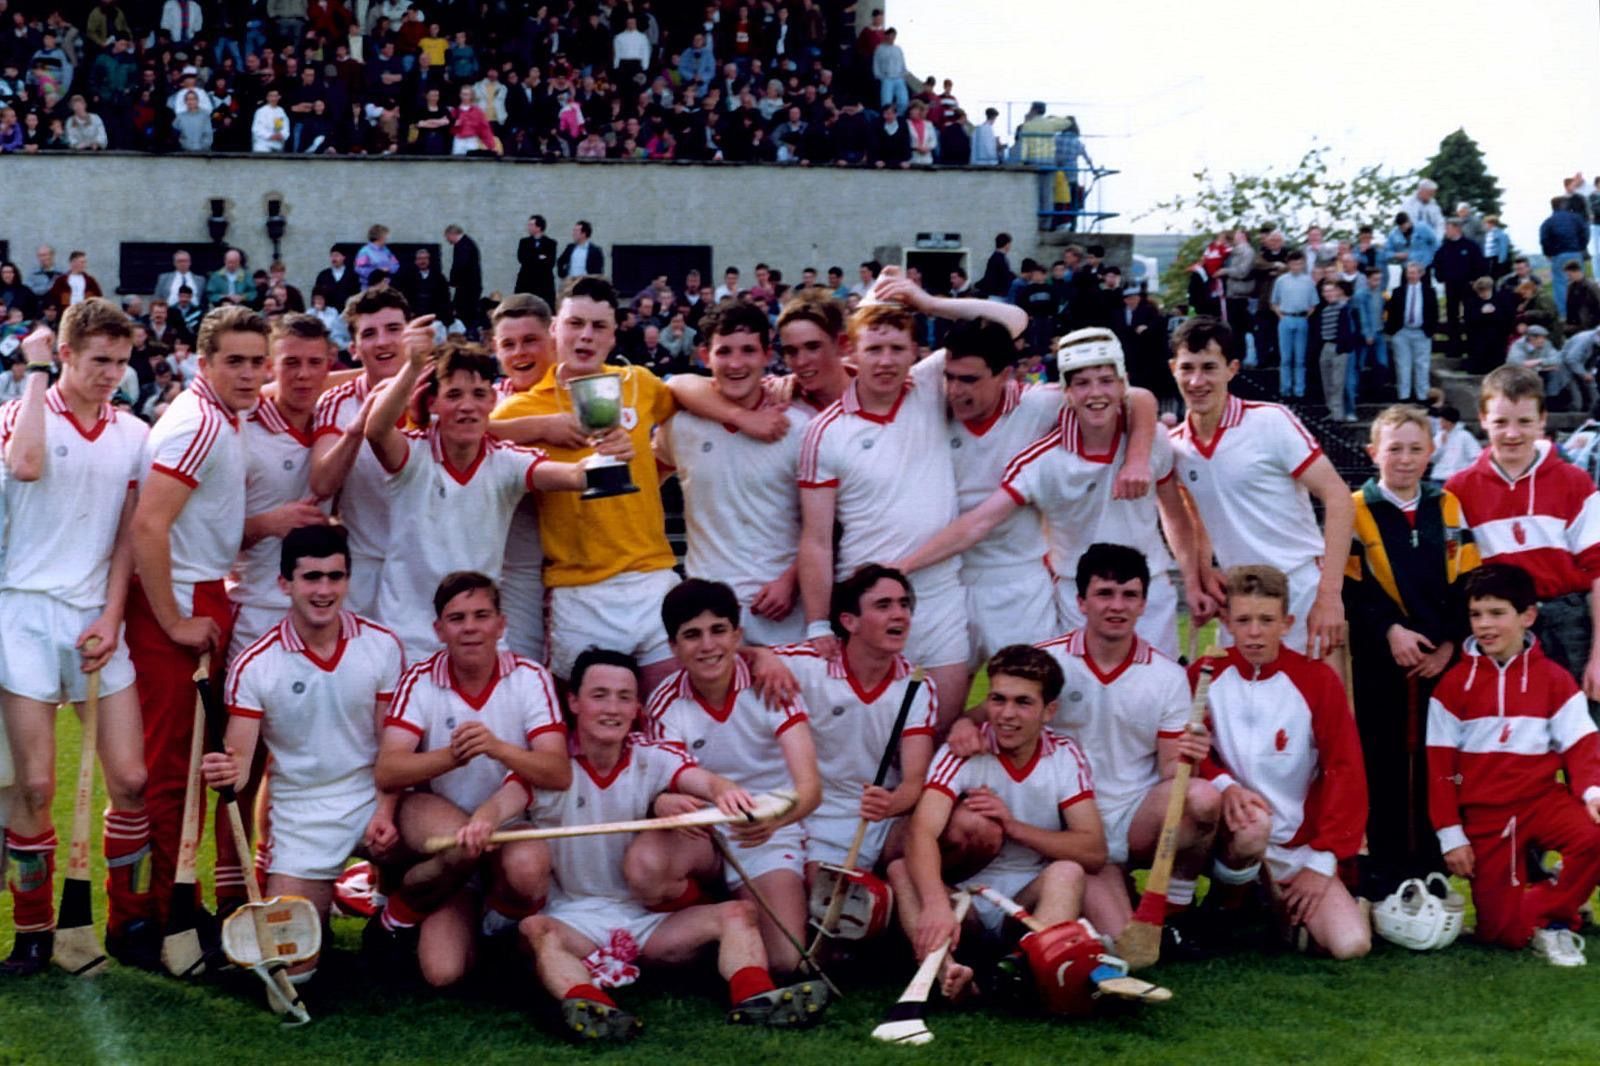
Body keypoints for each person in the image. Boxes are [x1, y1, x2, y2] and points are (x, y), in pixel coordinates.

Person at [472, 648, 827, 1039]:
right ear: (573, 702)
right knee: (538, 930)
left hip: (648, 919)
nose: (613, 708)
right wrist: (482, 821)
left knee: (737, 914)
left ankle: (756, 998)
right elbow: (502, 804)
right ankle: (592, 1008)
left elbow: (705, 781)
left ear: (637, 707)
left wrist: (725, 791)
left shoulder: (653, 755)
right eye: (599, 695)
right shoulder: (549, 768)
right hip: (575, 918)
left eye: (624, 697)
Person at [490, 276, 781, 688]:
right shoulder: (521, 407)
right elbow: (464, 434)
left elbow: (683, 386)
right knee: (594, 716)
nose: (586, 336)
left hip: (652, 578)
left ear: (613, 335)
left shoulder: (636, 383)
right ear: (555, 328)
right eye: (575, 323)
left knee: (671, 708)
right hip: (579, 590)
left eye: (599, 326)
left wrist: (744, 415)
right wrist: (542, 426)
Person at [0, 308, 154, 974]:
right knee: (35, 787)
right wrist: (34, 372)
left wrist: (112, 617)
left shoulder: (134, 433)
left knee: (132, 779)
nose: (112, 375)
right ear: (64, 354)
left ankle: (130, 920)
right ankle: (33, 932)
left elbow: (126, 536)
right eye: (98, 361)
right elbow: (26, 465)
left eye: (120, 362)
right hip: (23, 615)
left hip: (95, 618)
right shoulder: (19, 413)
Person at [892, 328, 1198, 659]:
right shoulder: (1041, 460)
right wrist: (904, 566)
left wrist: (1194, 581)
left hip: (1150, 589)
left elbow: (1175, 515)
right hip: (1075, 595)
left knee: (1159, 687)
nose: (1095, 393)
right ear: (1065, 392)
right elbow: (978, 522)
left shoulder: (1152, 439)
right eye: (1082, 383)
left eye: (1106, 381)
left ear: (1122, 384)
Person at [203, 525, 404, 963]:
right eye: (311, 577)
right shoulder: (255, 665)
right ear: (285, 584)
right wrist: (225, 771)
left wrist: (387, 809)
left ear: (347, 580)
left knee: (446, 843)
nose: (324, 590)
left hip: (371, 800)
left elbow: (393, 751)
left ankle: (395, 919)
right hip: (303, 818)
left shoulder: (382, 645)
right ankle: (319, 907)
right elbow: (239, 764)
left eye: (335, 577)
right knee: (293, 967)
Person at [127, 305, 268, 922]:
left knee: (189, 764)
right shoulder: (201, 425)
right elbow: (148, 525)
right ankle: (161, 914)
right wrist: (173, 620)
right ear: (204, 363)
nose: (248, 374)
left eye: (257, 362)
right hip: (179, 597)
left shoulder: (222, 414)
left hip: (202, 588)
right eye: (234, 361)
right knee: (169, 768)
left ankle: (172, 903)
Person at [370, 571, 568, 988]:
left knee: (529, 866)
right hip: (443, 823)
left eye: (481, 615)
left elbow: (557, 770)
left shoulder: (530, 677)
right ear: (439, 630)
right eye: (457, 618)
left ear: (501, 623)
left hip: (510, 824)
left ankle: (496, 931)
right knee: (442, 973)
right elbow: (389, 769)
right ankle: (394, 919)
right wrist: (452, 756)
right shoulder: (420, 678)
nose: (470, 628)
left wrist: (497, 748)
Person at [365, 335, 614, 661]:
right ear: (434, 403)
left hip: (481, 639)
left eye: (479, 394)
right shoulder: (413, 454)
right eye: (454, 395)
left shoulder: (506, 461)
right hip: (407, 638)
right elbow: (376, 431)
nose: (467, 406)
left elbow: (575, 476)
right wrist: (412, 367)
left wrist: (610, 453)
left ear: (492, 401)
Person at [889, 644, 1104, 999]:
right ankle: (947, 975)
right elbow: (921, 832)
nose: (1006, 714)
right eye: (998, 699)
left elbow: (1093, 850)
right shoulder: (963, 751)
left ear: (1049, 711)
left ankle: (1023, 972)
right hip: (965, 902)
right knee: (900, 870)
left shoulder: (1065, 755)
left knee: (1068, 872)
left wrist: (1013, 826)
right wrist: (937, 904)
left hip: (1024, 903)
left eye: (1023, 702)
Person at [797, 299, 972, 729]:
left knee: (938, 730)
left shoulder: (929, 387)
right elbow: (816, 538)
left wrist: (924, 301)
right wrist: (818, 624)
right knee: (869, 740)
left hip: (940, 594)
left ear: (916, 352)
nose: (886, 361)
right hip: (867, 603)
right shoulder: (825, 431)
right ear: (851, 352)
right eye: (874, 349)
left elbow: (1010, 323)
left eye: (897, 348)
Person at [1035, 544, 1219, 948]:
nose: (1117, 606)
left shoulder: (1167, 675)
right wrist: (964, 724)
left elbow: (1172, 772)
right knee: (1122, 943)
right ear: (1081, 602)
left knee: (1202, 797)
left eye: (1129, 595)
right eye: (1104, 594)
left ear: (1143, 604)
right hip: (1072, 826)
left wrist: (1190, 756)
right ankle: (1115, 899)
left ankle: (1176, 907)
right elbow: (994, 716)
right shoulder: (1046, 663)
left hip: (1134, 819)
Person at [636, 579, 821, 974]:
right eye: (692, 635)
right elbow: (663, 781)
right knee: (646, 866)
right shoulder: (665, 701)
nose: (707, 645)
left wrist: (775, 821)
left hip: (763, 831)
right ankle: (715, 912)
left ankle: (727, 929)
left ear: (737, 635)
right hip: (701, 834)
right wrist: (662, 801)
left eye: (718, 630)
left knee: (786, 960)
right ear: (673, 647)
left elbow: (810, 789)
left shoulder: (770, 684)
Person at [1427, 564, 1600, 966]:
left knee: (1595, 834)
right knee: (1504, 935)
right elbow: (1440, 770)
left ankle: (1553, 918)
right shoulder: (1453, 686)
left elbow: (1581, 745)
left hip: (1541, 801)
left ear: (1528, 616)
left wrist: (1593, 793)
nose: (1484, 625)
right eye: (1476, 615)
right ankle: (1541, 913)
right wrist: (1451, 836)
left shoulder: (1555, 679)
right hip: (1488, 818)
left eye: (1496, 613)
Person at [1197, 565, 1370, 960]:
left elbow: (1345, 771)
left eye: (1266, 620)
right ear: (1227, 623)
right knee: (1251, 827)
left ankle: (1272, 906)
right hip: (1231, 832)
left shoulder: (1316, 680)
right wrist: (1224, 784)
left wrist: (1321, 863)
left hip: (1295, 843)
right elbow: (1187, 752)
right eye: (1243, 620)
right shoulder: (1205, 674)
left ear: (1287, 623)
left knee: (1351, 944)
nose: (1254, 632)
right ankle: (1224, 908)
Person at [1343, 406, 1478, 898]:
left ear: (1431, 453)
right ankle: (1387, 868)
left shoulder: (1448, 506)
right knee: (1382, 759)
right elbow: (1349, 588)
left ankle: (1432, 864)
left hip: (1439, 660)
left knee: (1436, 760)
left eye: (1415, 449)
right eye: (1394, 448)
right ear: (1372, 452)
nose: (1404, 458)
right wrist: (1390, 631)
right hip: (1383, 659)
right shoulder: (1355, 509)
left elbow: (1467, 579)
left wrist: (1448, 643)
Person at [1167, 317, 1353, 656]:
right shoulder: (1176, 447)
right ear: (1173, 370)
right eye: (1187, 368)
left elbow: (1338, 496)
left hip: (1300, 589)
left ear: (1232, 369)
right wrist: (1204, 572)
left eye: (1209, 367)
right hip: (1239, 602)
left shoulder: (1270, 420)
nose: (1197, 381)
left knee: (1317, 691)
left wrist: (1329, 596)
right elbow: (1194, 518)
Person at [774, 567, 937, 904]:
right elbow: (734, 658)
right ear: (849, 621)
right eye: (884, 605)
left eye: (904, 604)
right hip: (818, 818)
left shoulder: (918, 686)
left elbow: (913, 783)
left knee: (967, 832)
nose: (900, 615)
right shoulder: (806, 664)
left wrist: (891, 804)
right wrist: (761, 658)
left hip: (881, 819)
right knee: (829, 909)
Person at [655, 300, 811, 645]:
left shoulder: (800, 428)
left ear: (767, 355)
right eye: (724, 351)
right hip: (708, 618)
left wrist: (792, 579)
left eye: (748, 351)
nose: (736, 363)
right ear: (704, 356)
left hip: (781, 612)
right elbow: (647, 480)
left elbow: (826, 524)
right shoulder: (680, 426)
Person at [1445, 366, 1600, 699]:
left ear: (1542, 421)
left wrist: (1599, 657)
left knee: (1581, 724)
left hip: (1568, 625)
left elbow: (1598, 571)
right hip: (1499, 625)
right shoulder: (1459, 490)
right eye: (1501, 422)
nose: (1512, 433)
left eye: (1525, 421)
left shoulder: (1575, 483)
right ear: (1483, 419)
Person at [225, 314, 335, 662]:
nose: (303, 374)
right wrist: (267, 524)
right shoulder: (242, 429)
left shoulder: (336, 424)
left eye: (314, 363)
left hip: (324, 610)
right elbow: (206, 536)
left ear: (328, 365)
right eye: (291, 363)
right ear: (270, 366)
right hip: (257, 609)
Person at [309, 287, 412, 615]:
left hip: (429, 565)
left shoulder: (442, 395)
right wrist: (356, 429)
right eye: (369, 334)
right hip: (365, 567)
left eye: (393, 329)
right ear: (353, 349)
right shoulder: (337, 401)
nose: (383, 342)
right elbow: (322, 483)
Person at [1384, 263, 1438, 404]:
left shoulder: (1429, 291)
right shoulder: (1398, 291)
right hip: (1402, 332)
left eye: (1414, 273)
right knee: (1403, 365)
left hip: (1421, 332)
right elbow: (1391, 311)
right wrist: (1393, 331)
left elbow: (1434, 312)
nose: (1412, 276)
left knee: (1422, 365)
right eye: (1409, 273)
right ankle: (1404, 396)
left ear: (1420, 274)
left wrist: (1430, 331)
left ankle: (1422, 396)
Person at [1434, 218, 1484, 362]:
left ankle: (1472, 348)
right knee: (1452, 317)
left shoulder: (1470, 246)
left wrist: (1475, 280)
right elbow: (1437, 264)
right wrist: (1441, 277)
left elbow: (1480, 265)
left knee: (1470, 317)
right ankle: (1454, 348)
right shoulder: (1444, 248)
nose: (1446, 231)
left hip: (1468, 287)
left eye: (1448, 228)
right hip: (1451, 287)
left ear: (1457, 228)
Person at [1269, 251, 1316, 400]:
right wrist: (1281, 316)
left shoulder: (1308, 281)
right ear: (1289, 264)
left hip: (1301, 319)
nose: (1297, 266)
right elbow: (1274, 302)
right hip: (1286, 318)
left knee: (1300, 358)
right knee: (1286, 358)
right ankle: (1285, 389)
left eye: (1300, 263)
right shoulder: (1281, 280)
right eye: (1294, 264)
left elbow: (1313, 304)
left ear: (1303, 264)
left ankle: (1299, 390)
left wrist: (1304, 316)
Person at [1313, 278, 1360, 423]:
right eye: (1325, 292)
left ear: (1337, 292)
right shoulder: (1324, 310)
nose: (1329, 294)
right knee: (1326, 381)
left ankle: (1338, 413)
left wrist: (1343, 346)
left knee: (1337, 382)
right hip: (1326, 346)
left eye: (1331, 291)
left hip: (1339, 347)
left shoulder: (1344, 308)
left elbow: (1350, 330)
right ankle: (1331, 410)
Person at [1539, 196, 1589, 316]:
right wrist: (1581, 246)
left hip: (1558, 255)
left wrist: (1548, 253)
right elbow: (1585, 233)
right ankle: (1583, 312)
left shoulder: (1548, 222)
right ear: (1565, 205)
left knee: (1560, 283)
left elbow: (1544, 239)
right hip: (1575, 252)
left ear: (1553, 207)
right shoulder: (1576, 218)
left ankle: (1564, 314)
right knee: (1580, 282)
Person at [444, 225, 482, 333]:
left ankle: (467, 333)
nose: (447, 240)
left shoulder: (463, 246)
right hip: (469, 286)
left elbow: (460, 266)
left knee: (465, 313)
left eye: (447, 237)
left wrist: (453, 281)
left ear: (452, 234)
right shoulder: (467, 243)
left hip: (467, 288)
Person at [1430, 404, 1482, 481]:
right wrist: (1442, 446)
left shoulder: (1465, 436)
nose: (1440, 423)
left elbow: (1477, 456)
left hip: (1457, 478)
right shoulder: (1439, 436)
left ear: (1449, 422)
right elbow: (1432, 458)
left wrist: (1466, 473)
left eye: (1442, 420)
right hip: (1438, 477)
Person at [313, 246, 360, 313]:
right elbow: (316, 295)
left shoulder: (353, 275)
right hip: (327, 313)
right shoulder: (323, 275)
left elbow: (357, 295)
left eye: (337, 255)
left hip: (347, 312)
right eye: (332, 256)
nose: (334, 258)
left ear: (343, 257)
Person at [1563, 259, 1600, 334]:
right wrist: (1569, 323)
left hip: (1591, 324)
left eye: (1569, 275)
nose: (1568, 277)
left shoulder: (1591, 286)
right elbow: (1570, 307)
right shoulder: (1571, 287)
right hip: (1578, 324)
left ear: (1577, 271)